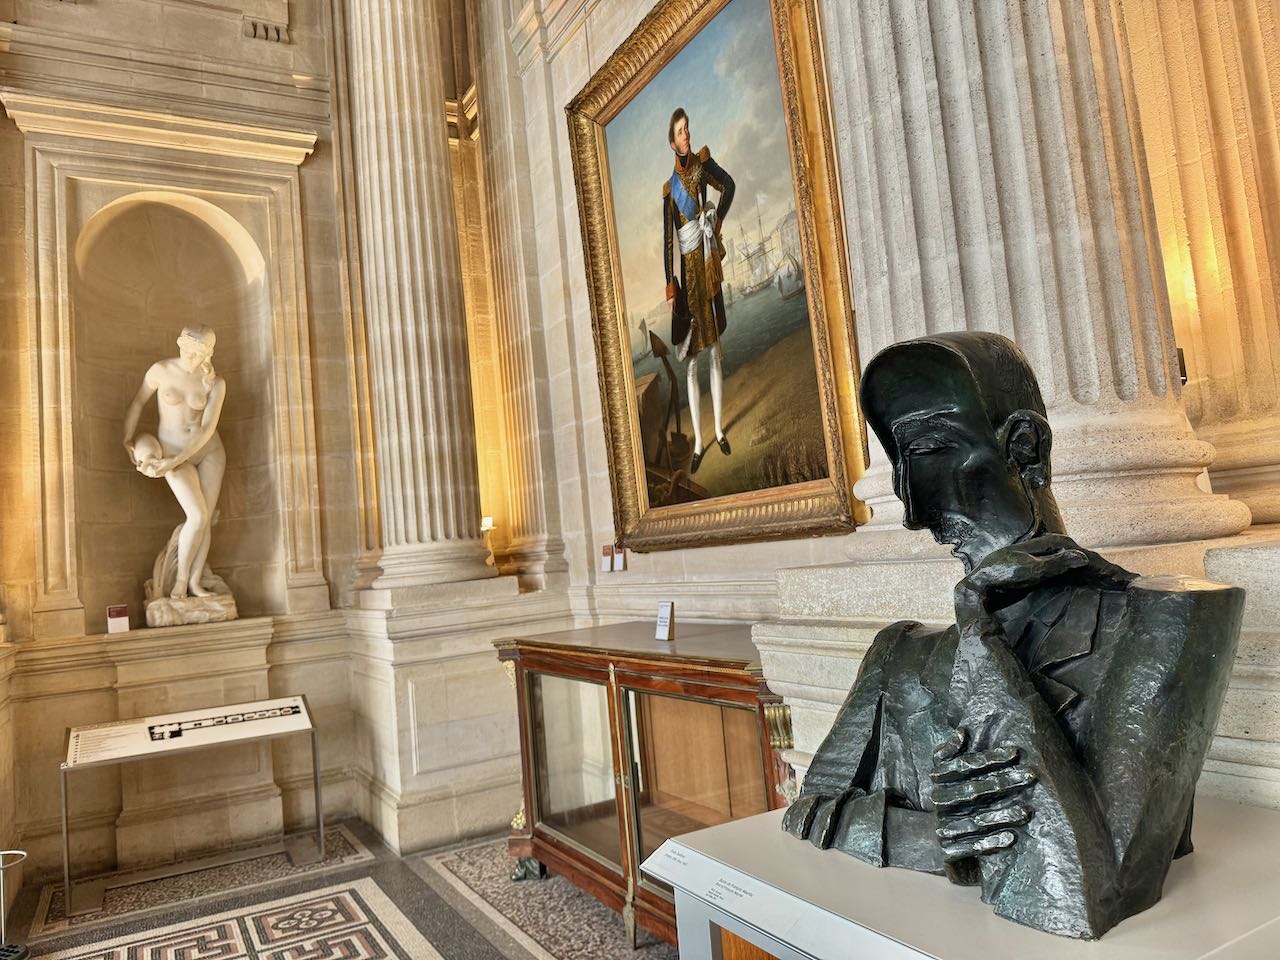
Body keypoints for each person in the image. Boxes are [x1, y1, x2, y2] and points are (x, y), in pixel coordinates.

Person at [782, 332, 1243, 939]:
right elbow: (808, 810)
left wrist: (982, 633)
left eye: (930, 449)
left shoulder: (1165, 620)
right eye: (898, 461)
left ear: (1024, 446)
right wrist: (935, 839)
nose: (912, 505)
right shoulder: (900, 653)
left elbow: (1082, 896)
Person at [122, 325, 227, 601]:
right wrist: (127, 437)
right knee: (198, 515)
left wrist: (175, 461)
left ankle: (194, 582)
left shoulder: (215, 382)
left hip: (208, 451)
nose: (194, 358)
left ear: (209, 353)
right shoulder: (161, 370)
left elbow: (206, 429)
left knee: (206, 521)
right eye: (190, 351)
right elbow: (137, 403)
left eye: (201, 353)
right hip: (170, 449)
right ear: (180, 344)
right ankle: (179, 583)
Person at [662, 107, 735, 473]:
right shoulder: (668, 192)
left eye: (688, 128)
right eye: (680, 131)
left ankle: (719, 430)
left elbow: (730, 186)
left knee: (713, 356)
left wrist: (715, 221)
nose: (687, 135)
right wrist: (670, 284)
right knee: (691, 363)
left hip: (705, 268)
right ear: (672, 141)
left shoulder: (703, 164)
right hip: (688, 281)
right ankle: (699, 441)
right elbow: (666, 243)